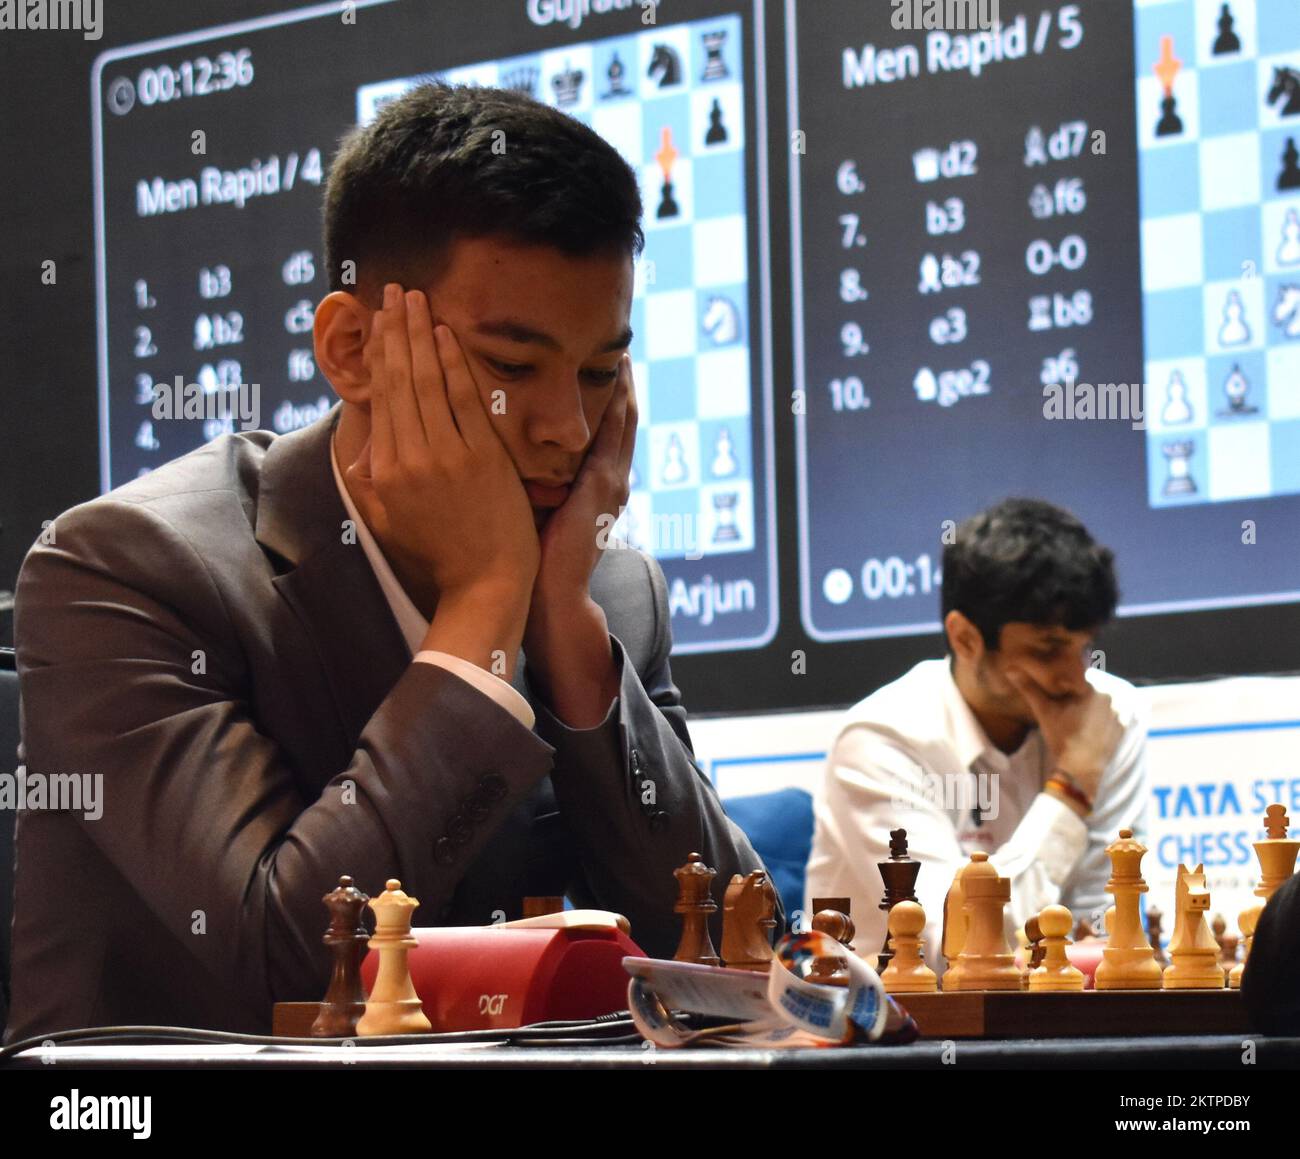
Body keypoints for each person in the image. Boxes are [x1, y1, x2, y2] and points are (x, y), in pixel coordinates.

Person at [4, 83, 776, 1041]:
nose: (569, 432)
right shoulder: (127, 569)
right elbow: (291, 963)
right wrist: (487, 600)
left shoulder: (605, 591)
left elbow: (731, 953)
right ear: (351, 347)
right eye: (512, 366)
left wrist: (565, 635)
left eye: (599, 372)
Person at [805, 498, 1147, 970]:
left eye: (1083, 646)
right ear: (965, 637)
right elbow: (961, 951)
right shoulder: (879, 741)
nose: (1074, 678)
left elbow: (1104, 928)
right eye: (1047, 650)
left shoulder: (1109, 715)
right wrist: (1073, 783)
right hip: (903, 1027)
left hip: (1057, 1016)